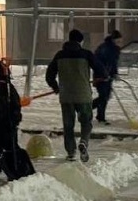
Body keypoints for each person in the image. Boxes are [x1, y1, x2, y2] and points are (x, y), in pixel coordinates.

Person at [46, 29, 107, 162]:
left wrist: (55, 87)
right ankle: (84, 141)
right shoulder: (86, 54)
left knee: (68, 125)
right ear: (80, 41)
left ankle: (71, 152)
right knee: (86, 122)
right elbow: (101, 69)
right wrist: (101, 78)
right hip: (83, 95)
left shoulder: (60, 55)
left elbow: (49, 74)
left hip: (66, 96)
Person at [93, 29, 122, 125]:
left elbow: (113, 64)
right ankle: (86, 109)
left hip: (108, 76)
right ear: (113, 39)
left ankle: (100, 116)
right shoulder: (105, 48)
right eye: (117, 40)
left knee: (105, 97)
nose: (119, 42)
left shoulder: (114, 49)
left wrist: (114, 74)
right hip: (100, 76)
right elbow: (99, 63)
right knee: (103, 96)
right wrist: (104, 74)